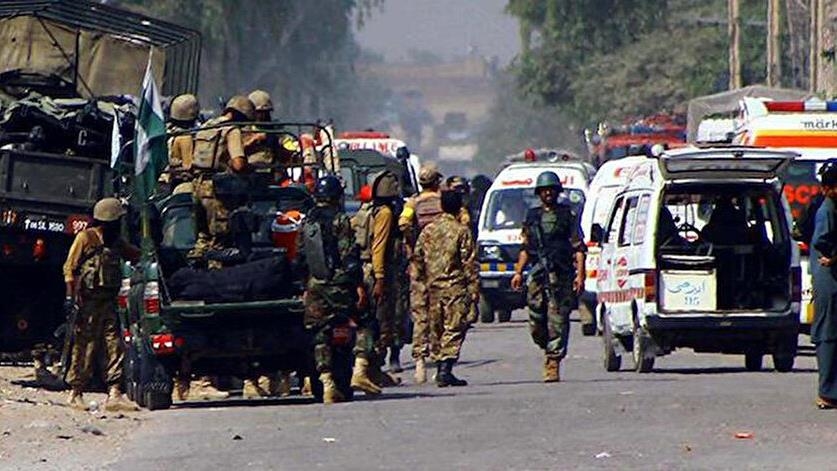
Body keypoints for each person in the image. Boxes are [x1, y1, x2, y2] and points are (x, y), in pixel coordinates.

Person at [62, 198, 140, 411]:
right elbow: (69, 268)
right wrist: (70, 297)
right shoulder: (86, 238)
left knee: (114, 345)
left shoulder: (116, 242)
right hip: (87, 303)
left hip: (108, 302)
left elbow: (135, 254)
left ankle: (114, 393)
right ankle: (75, 392)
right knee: (84, 347)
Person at [510, 171, 586, 382]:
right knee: (536, 321)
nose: (548, 194)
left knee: (558, 318)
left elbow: (578, 248)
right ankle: (547, 345)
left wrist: (580, 275)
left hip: (561, 273)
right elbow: (525, 247)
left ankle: (553, 361)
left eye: (551, 190)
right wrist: (518, 272)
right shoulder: (532, 216)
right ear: (539, 193)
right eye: (544, 190)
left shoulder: (567, 216)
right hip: (538, 274)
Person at [297, 175, 367, 404]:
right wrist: (358, 285)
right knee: (363, 320)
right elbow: (348, 257)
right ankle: (361, 369)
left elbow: (300, 257)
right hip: (338, 284)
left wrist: (304, 286)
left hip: (314, 285)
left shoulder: (307, 222)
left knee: (318, 332)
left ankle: (325, 379)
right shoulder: (340, 220)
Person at [412, 190, 478, 387]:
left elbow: (417, 258)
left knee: (437, 328)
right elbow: (469, 263)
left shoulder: (428, 230)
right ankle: (444, 369)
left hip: (433, 288)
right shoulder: (461, 231)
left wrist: (422, 281)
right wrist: (474, 288)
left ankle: (441, 366)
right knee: (454, 327)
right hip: (455, 287)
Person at [188, 95, 252, 266]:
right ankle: (215, 276)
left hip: (197, 186)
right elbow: (238, 164)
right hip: (216, 190)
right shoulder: (232, 130)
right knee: (219, 241)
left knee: (202, 238)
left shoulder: (206, 127)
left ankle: (195, 272)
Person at [399, 162, 444, 383]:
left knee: (420, 314)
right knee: (439, 313)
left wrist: (412, 245)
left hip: (419, 265)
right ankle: (438, 359)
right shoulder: (443, 201)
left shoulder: (413, 203)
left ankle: (419, 361)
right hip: (441, 264)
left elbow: (403, 224)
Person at [811, 163, 837, 409]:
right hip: (829, 281)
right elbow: (822, 241)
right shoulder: (827, 210)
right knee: (828, 334)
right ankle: (828, 392)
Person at [165, 94, 200, 186]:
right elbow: (188, 166)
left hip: (164, 179)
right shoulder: (185, 138)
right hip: (177, 182)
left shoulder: (168, 131)